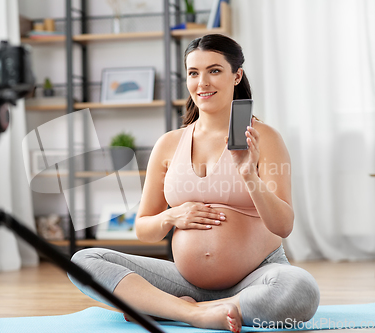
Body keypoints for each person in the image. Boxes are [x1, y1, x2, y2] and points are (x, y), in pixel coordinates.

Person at [69, 34, 320, 332]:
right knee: (85, 260)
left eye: (214, 70)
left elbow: (283, 226)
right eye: (193, 73)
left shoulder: (264, 139)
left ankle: (172, 309)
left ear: (236, 75)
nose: (202, 82)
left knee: (300, 289)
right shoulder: (168, 144)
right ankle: (193, 313)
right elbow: (144, 229)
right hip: (183, 281)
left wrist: (248, 175)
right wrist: (171, 216)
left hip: (258, 277)